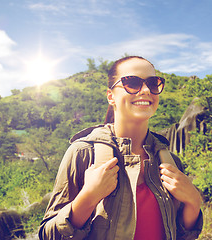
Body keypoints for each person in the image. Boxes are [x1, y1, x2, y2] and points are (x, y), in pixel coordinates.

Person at [39, 56, 203, 239]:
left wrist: (193, 201)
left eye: (153, 83)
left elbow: (183, 235)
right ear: (111, 96)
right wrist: (88, 197)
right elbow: (49, 234)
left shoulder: (170, 161)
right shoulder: (83, 153)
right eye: (132, 82)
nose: (146, 90)